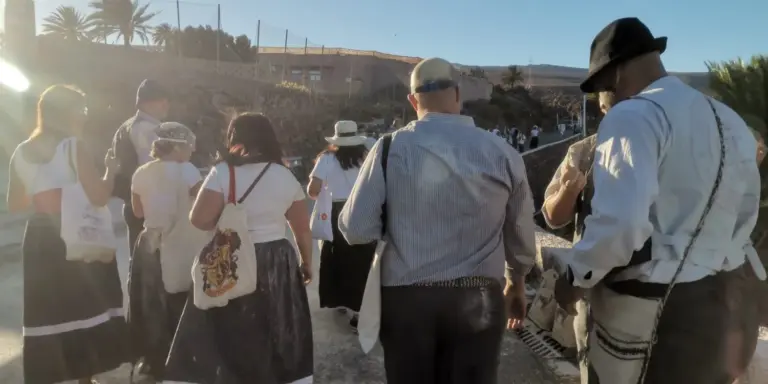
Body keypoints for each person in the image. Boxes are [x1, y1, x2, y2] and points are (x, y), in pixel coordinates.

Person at [553, 17, 762, 384]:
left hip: (652, 313)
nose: (605, 98)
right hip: (720, 308)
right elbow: (744, 216)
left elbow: (622, 224)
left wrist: (576, 275)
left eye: (602, 87)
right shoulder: (730, 121)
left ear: (614, 75)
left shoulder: (633, 114)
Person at [339, 57, 536, 384]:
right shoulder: (503, 152)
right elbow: (520, 231)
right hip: (480, 300)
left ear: (413, 100)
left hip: (407, 303)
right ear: (458, 94)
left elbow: (355, 229)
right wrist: (516, 281)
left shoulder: (389, 148)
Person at [164, 112, 314, 384]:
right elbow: (301, 228)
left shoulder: (223, 172)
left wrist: (227, 218)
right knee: (276, 327)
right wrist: (306, 263)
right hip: (277, 260)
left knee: (229, 326)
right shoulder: (285, 175)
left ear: (234, 137)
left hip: (230, 255)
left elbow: (198, 219)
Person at [7, 85, 129, 384]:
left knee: (48, 309)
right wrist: (111, 170)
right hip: (74, 232)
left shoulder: (22, 150)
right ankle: (85, 379)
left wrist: (46, 189)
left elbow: (15, 204)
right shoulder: (74, 146)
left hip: (38, 236)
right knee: (83, 306)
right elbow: (99, 196)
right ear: (69, 113)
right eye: (82, 110)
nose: (85, 117)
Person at [543, 91, 616, 383]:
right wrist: (569, 190)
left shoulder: (669, 149)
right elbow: (552, 217)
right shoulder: (583, 152)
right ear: (602, 106)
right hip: (595, 291)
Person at [127, 122, 202, 382]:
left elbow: (138, 212)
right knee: (180, 301)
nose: (192, 151)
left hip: (149, 244)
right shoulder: (189, 171)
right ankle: (181, 358)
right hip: (182, 243)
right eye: (189, 146)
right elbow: (202, 205)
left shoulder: (141, 172)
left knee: (151, 303)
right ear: (178, 146)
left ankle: (153, 359)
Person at [307, 120, 376, 333]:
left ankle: (340, 300)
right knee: (362, 260)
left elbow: (312, 190)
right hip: (362, 209)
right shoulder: (368, 157)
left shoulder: (326, 159)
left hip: (336, 213)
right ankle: (360, 313)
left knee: (336, 257)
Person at [112, 79, 170, 256]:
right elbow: (153, 170)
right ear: (149, 103)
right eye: (163, 101)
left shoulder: (127, 126)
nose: (166, 106)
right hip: (148, 208)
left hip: (134, 203)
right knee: (151, 267)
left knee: (139, 264)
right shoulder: (148, 129)